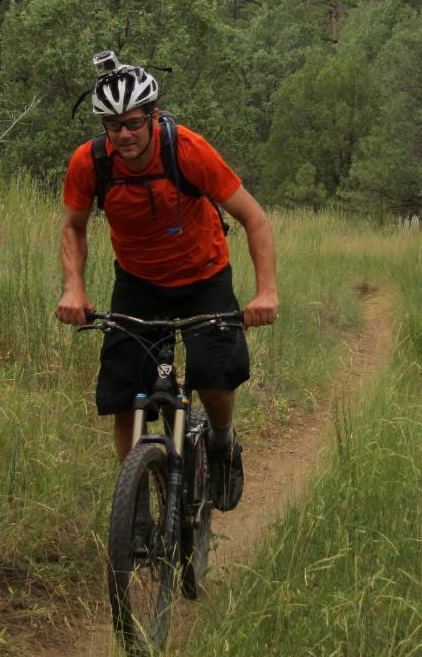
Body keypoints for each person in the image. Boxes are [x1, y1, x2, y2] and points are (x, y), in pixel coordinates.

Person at [55, 51, 278, 511]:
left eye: (133, 123)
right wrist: (73, 287)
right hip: (137, 282)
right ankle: (133, 502)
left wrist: (266, 292)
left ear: (152, 117)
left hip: (204, 275)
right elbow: (74, 228)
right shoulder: (90, 162)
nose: (124, 134)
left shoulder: (187, 150)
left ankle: (220, 442)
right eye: (113, 125)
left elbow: (254, 218)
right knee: (123, 393)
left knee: (214, 373)